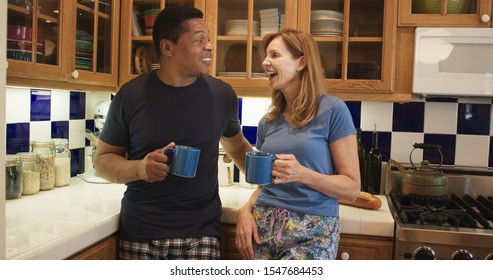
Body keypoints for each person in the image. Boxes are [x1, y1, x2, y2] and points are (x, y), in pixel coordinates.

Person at [94, 6, 253, 260]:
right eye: (199, 40)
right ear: (168, 48)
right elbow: (102, 160)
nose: (209, 47)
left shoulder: (222, 95)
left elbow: (237, 148)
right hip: (141, 231)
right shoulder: (131, 95)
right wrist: (140, 169)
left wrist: (276, 181)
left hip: (201, 232)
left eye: (208, 40)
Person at [235, 29, 361, 260]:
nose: (265, 62)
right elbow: (264, 185)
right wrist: (246, 209)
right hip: (264, 229)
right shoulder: (268, 122)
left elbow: (352, 188)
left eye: (274, 55)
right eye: (266, 55)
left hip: (313, 232)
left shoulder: (333, 110)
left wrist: (302, 174)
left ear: (301, 62)